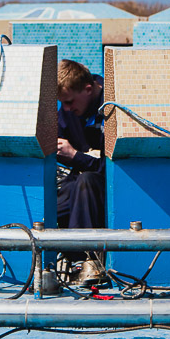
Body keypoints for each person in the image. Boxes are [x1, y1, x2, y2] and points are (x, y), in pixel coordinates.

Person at [56, 59, 106, 229]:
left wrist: (75, 156)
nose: (66, 108)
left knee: (86, 181)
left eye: (69, 102)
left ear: (88, 89)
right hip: (77, 182)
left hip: (103, 184)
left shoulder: (112, 109)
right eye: (62, 103)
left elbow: (110, 169)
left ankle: (87, 252)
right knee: (52, 206)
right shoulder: (70, 109)